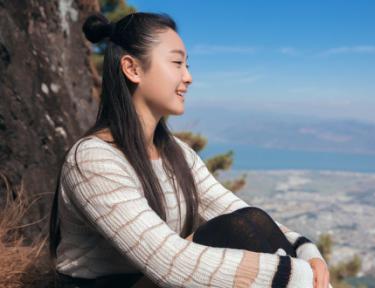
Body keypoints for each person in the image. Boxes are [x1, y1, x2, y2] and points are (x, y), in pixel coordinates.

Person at [48, 11, 331, 288]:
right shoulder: (92, 159)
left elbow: (235, 210)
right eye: (177, 63)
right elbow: (172, 264)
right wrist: (297, 275)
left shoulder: (176, 152)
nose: (188, 77)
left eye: (188, 65)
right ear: (132, 68)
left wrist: (306, 251)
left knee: (247, 221)